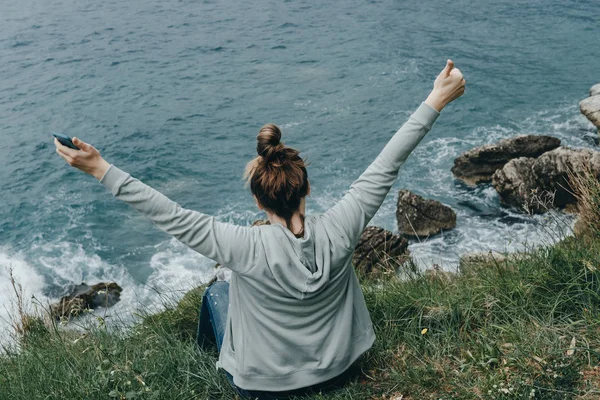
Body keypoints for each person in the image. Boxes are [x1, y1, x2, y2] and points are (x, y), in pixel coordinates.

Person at [54, 59, 465, 399]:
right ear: (307, 189)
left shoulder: (243, 246)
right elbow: (388, 162)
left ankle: (208, 359)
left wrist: (99, 168)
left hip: (265, 390)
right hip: (343, 370)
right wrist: (436, 98)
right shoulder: (344, 225)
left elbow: (169, 213)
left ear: (257, 200)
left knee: (218, 291)